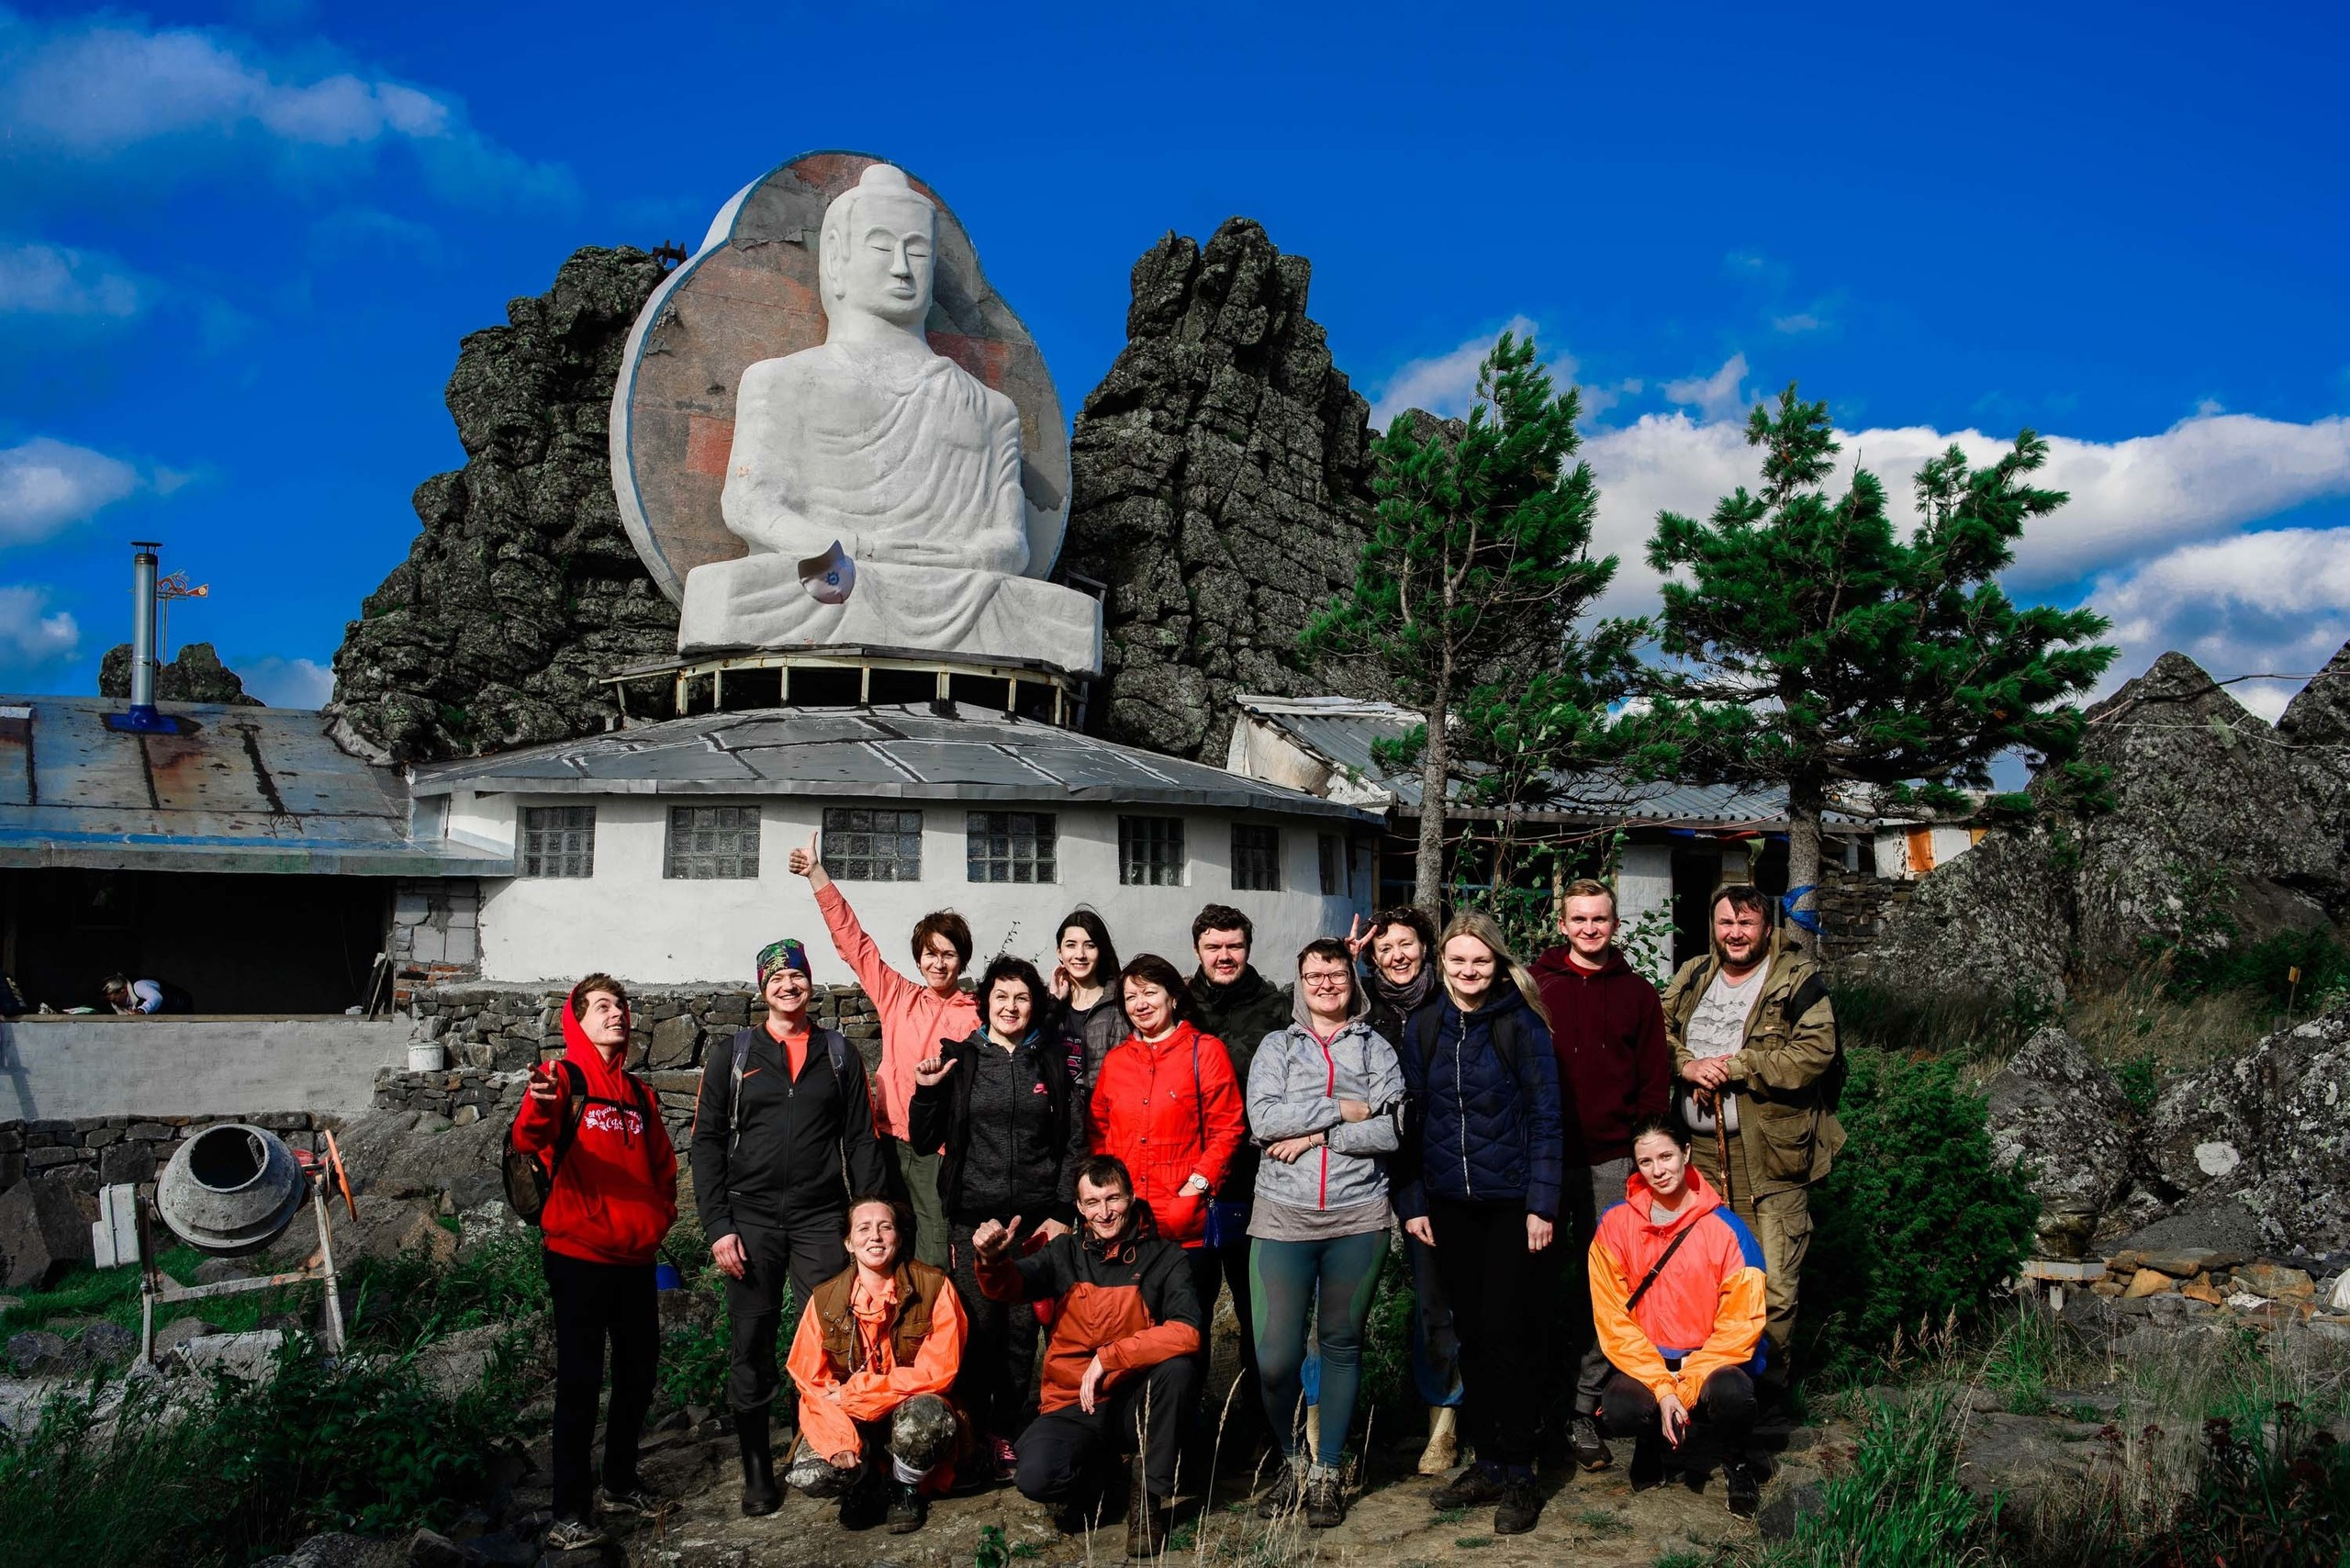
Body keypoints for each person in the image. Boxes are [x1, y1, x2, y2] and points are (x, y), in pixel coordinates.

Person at [691, 937, 891, 1516]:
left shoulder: (838, 1053)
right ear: (762, 988)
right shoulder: (733, 1053)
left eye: (797, 976)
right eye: (776, 978)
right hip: (749, 1221)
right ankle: (758, 1471)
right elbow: (705, 1144)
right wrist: (717, 1226)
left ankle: (843, 1458)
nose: (788, 985)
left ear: (810, 982)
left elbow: (860, 1139)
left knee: (838, 1339)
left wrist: (867, 1215)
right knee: (750, 1343)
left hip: (820, 1217)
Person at [1393, 913, 1564, 1538]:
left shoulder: (1521, 1025)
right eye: (1458, 962)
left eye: (1480, 962)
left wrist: (1541, 1203)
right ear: (1443, 964)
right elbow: (1411, 1119)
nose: (1469, 972)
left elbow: (1547, 1117)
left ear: (1498, 964)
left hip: (1511, 1205)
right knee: (1469, 1333)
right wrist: (1411, 1200)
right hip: (1447, 1205)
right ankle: (1488, 1459)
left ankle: (1521, 1469)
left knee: (1508, 1333)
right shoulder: (1427, 1024)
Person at [509, 974, 679, 1552]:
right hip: (577, 1257)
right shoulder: (562, 1078)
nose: (618, 1014)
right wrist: (538, 1102)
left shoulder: (639, 1094)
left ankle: (621, 1482)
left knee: (638, 1376)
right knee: (580, 1384)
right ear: (577, 1019)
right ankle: (568, 1511)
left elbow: (664, 1168)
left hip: (635, 1259)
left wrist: (659, 1220)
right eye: (604, 1006)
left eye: (622, 1005)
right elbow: (529, 1137)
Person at [1245, 938, 1405, 1528]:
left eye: (1336, 975)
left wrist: (1318, 1135)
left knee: (1340, 1343)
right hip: (1283, 1215)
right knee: (1275, 1357)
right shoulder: (1274, 1047)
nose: (1326, 985)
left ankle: (1327, 1473)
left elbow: (1393, 1129)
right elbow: (1263, 1121)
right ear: (1299, 981)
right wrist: (1345, 1109)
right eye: (1314, 975)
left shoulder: (1377, 1048)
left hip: (1357, 1214)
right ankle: (1291, 1460)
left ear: (1351, 980)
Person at [906, 955, 1087, 1477]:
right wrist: (926, 1091)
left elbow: (1071, 1141)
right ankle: (973, 1432)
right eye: (1001, 997)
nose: (1011, 1007)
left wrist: (1059, 1211)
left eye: (1022, 997)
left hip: (1034, 1225)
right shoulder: (961, 1059)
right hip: (974, 1220)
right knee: (978, 1328)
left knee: (1022, 1331)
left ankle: (1006, 1433)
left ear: (1035, 1006)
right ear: (984, 1002)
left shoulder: (1051, 1062)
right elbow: (924, 1139)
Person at [1662, 883, 1843, 1399]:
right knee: (1709, 1276)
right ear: (1713, 927)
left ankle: (1768, 1394)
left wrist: (1737, 1067)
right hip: (1697, 1159)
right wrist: (1687, 1064)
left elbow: (1815, 1051)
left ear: (1767, 928)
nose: (1735, 933)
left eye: (1746, 923)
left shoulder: (1795, 978)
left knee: (1773, 1281)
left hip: (1772, 1156)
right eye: (1726, 923)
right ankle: (1714, 1388)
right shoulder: (1697, 972)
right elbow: (1658, 1026)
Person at [977, 1155, 1202, 1557]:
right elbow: (1010, 1286)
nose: (1104, 1212)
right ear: (1079, 1208)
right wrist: (992, 1260)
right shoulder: (1063, 1252)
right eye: (1093, 1202)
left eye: (1113, 1199)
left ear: (1131, 1198)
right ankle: (1108, 1476)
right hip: (1071, 1400)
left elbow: (1187, 1332)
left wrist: (1110, 1357)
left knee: (1178, 1369)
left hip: (1134, 1401)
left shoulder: (1166, 1258)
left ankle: (1147, 1500)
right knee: (1035, 1477)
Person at [1528, 879, 1672, 1472]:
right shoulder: (1535, 986)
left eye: (1600, 919)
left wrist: (1639, 1151)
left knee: (1609, 1291)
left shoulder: (1637, 993)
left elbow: (1653, 1080)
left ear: (1614, 924)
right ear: (1562, 924)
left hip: (1610, 1160)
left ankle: (1583, 1409)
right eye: (1579, 919)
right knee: (1532, 1287)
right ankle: (1531, 1410)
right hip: (1542, 1160)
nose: (1589, 929)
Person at [790, 831, 979, 1268]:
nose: (938, 963)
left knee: (934, 1247)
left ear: (962, 960)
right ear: (918, 958)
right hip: (886, 1139)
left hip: (938, 1149)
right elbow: (855, 945)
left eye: (948, 954)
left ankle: (935, 1329)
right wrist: (818, 874)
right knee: (882, 1241)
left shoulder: (977, 1016)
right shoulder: (898, 996)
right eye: (930, 954)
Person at [1087, 952, 1247, 1468]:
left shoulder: (1206, 1050)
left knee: (1184, 1337)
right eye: (1130, 996)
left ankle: (1182, 1447)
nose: (1140, 1004)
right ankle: (1133, 1442)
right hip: (1129, 1231)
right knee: (1129, 1334)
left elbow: (1228, 1128)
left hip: (1187, 1229)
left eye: (1150, 992)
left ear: (1173, 995)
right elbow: (1099, 1132)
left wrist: (1194, 1187)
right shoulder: (1116, 1063)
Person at [1589, 1115, 1768, 1517]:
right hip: (1647, 1360)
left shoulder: (1727, 1229)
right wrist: (1663, 1387)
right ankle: (1650, 1440)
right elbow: (1613, 1321)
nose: (1658, 1170)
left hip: (1712, 1360)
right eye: (1646, 1161)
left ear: (1687, 1153)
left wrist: (1683, 1388)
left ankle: (1736, 1460)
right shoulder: (1614, 1225)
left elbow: (1742, 1325)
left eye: (1667, 1156)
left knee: (1733, 1395)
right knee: (1619, 1408)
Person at [1347, 905, 1462, 1475]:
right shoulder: (1357, 1005)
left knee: (1435, 1299)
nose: (1396, 956)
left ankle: (1444, 1420)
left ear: (1426, 947)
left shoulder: (1451, 1004)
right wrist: (1344, 967)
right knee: (1341, 1300)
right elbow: (1312, 1005)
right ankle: (1333, 1428)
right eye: (1383, 948)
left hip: (1430, 1168)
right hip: (1359, 1169)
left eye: (1406, 944)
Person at [783, 1195, 970, 1533]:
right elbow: (809, 1382)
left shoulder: (934, 1286)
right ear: (849, 1243)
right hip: (848, 1419)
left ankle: (904, 1486)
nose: (876, 1236)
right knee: (816, 1472)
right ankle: (863, 1481)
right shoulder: (823, 1300)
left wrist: (856, 1394)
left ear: (898, 1237)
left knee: (928, 1417)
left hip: (907, 1411)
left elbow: (939, 1373)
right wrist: (840, 1439)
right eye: (864, 1229)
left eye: (886, 1227)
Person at [1182, 903, 1292, 1452]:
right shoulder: (1179, 1003)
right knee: (1188, 1314)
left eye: (1234, 946)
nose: (1224, 956)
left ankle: (1267, 1430)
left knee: (1258, 1314)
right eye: (1213, 947)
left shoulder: (1275, 1007)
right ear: (1197, 949)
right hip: (1189, 1181)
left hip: (1256, 1181)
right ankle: (1190, 1432)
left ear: (1248, 948)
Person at [1049, 908, 1125, 1086]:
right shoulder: (1048, 1006)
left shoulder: (1120, 1005)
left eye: (1090, 945)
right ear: (1059, 952)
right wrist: (1052, 1003)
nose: (1080, 955)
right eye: (1071, 945)